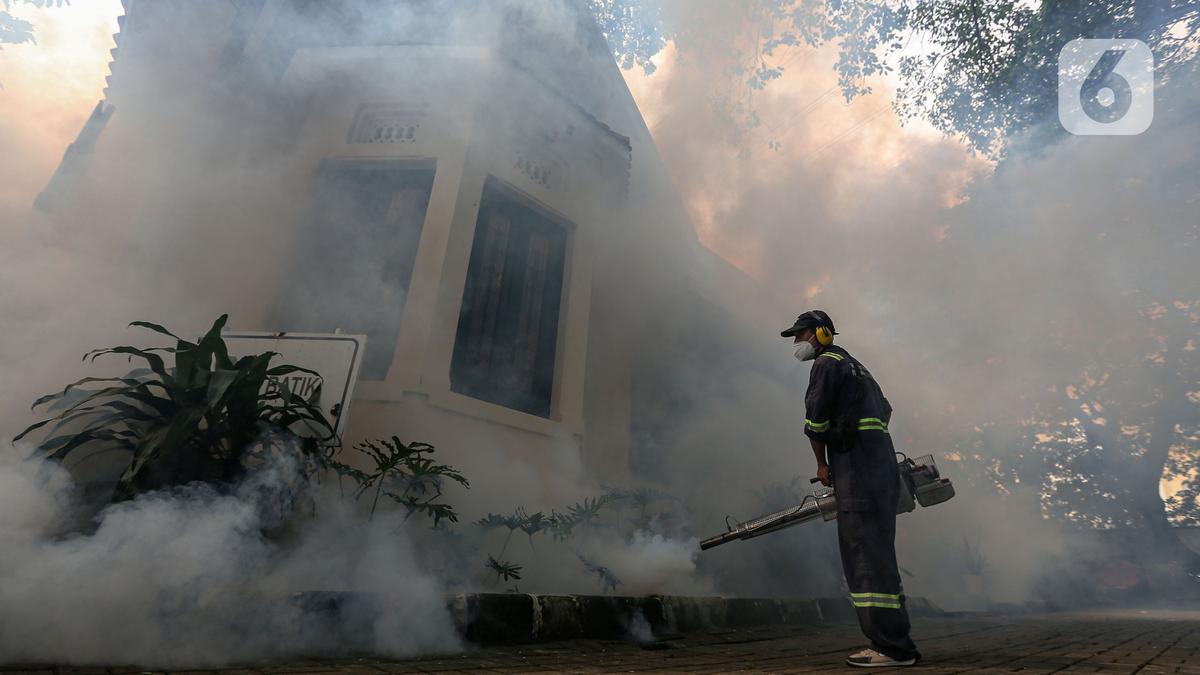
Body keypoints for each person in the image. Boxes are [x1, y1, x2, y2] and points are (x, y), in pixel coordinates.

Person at [781, 310, 921, 668]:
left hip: (856, 473)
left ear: (822, 333)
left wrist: (824, 463)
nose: (798, 343)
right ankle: (897, 642)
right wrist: (865, 439)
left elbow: (814, 423)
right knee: (879, 556)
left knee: (863, 558)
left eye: (802, 335)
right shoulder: (857, 366)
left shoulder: (827, 364)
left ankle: (890, 648)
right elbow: (885, 411)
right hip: (881, 469)